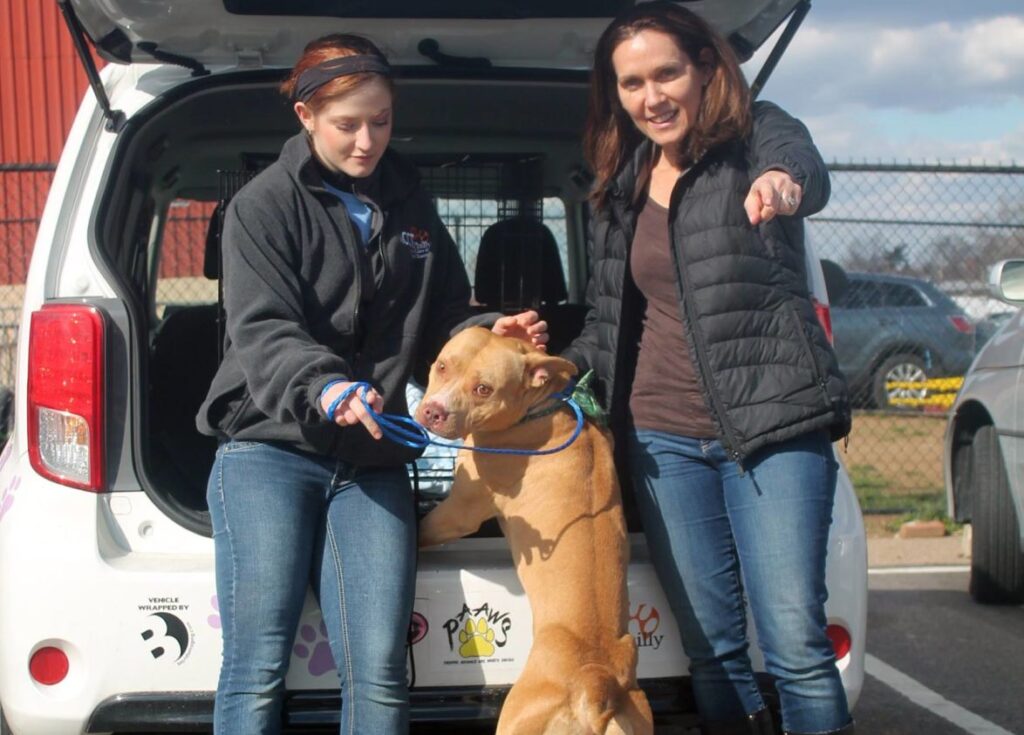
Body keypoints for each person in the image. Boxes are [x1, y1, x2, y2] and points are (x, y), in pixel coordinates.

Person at [195, 33, 546, 735]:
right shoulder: (262, 207)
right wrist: (326, 386)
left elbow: (443, 315)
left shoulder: (412, 204)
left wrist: (491, 328)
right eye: (347, 123)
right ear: (305, 116)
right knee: (257, 663)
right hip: (269, 450)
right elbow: (263, 329)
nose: (366, 141)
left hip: (375, 457)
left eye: (380, 121)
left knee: (380, 671)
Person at [560, 4, 854, 735]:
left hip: (774, 426)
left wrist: (783, 182)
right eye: (631, 83)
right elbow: (606, 324)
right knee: (714, 652)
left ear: (705, 67)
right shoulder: (622, 183)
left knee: (794, 646)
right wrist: (541, 370)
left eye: (666, 74)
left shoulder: (757, 132)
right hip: (662, 441)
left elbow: (802, 167)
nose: (651, 97)